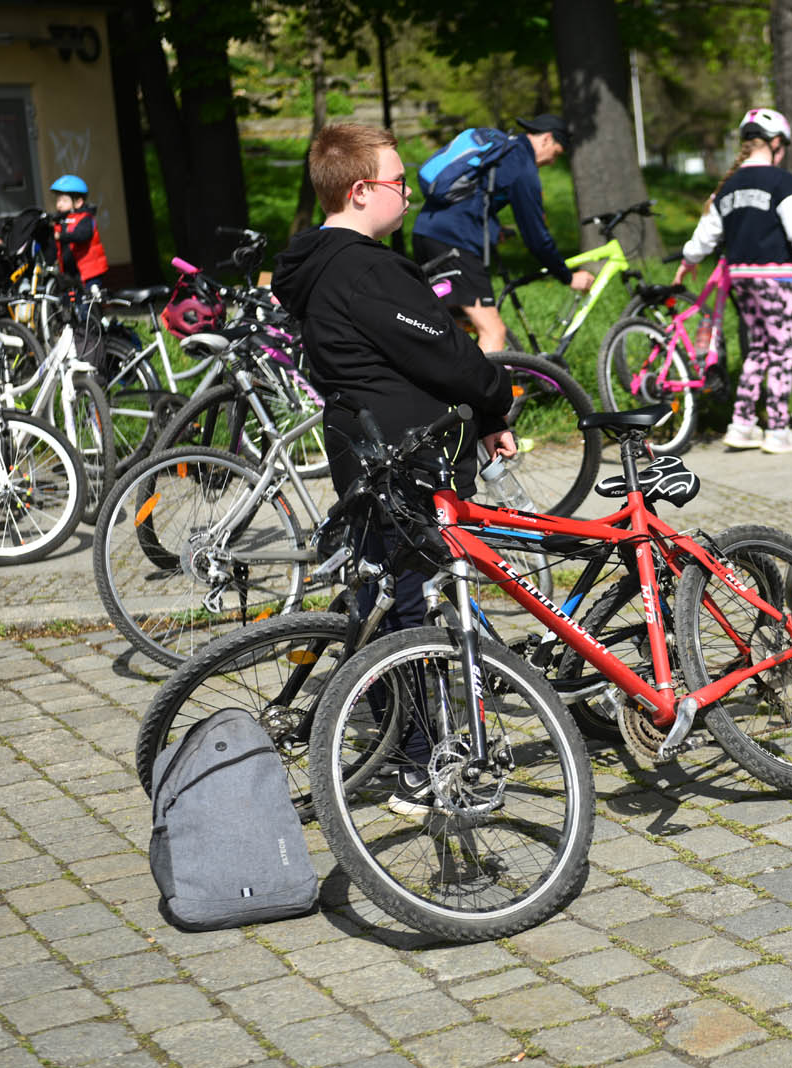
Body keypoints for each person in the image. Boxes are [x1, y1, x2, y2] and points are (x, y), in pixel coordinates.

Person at [271, 122, 515, 815]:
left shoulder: (314, 263)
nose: (408, 192)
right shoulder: (368, 270)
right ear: (359, 191)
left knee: (377, 591)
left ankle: (396, 744)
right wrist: (496, 399)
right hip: (406, 447)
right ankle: (422, 767)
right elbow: (446, 354)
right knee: (416, 599)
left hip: (359, 441)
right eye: (398, 181)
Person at [674, 107, 792, 454]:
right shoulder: (782, 182)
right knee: (783, 350)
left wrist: (688, 261)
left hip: (740, 278)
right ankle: (777, 429)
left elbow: (705, 235)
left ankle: (742, 425)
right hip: (775, 277)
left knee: (758, 348)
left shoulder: (727, 186)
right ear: (775, 143)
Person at [411, 114, 594, 352]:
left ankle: (443, 384)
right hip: (456, 244)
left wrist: (495, 230)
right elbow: (536, 236)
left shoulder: (502, 151)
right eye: (556, 154)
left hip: (425, 234)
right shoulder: (522, 165)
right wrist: (567, 276)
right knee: (493, 332)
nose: (551, 162)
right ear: (547, 139)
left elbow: (475, 198)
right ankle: (484, 390)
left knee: (455, 326)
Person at [49, 175, 108, 284]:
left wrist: (60, 236)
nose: (59, 204)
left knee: (88, 300)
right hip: (70, 274)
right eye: (58, 200)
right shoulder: (60, 220)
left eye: (64, 201)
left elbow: (83, 235)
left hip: (89, 272)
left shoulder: (85, 217)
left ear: (78, 202)